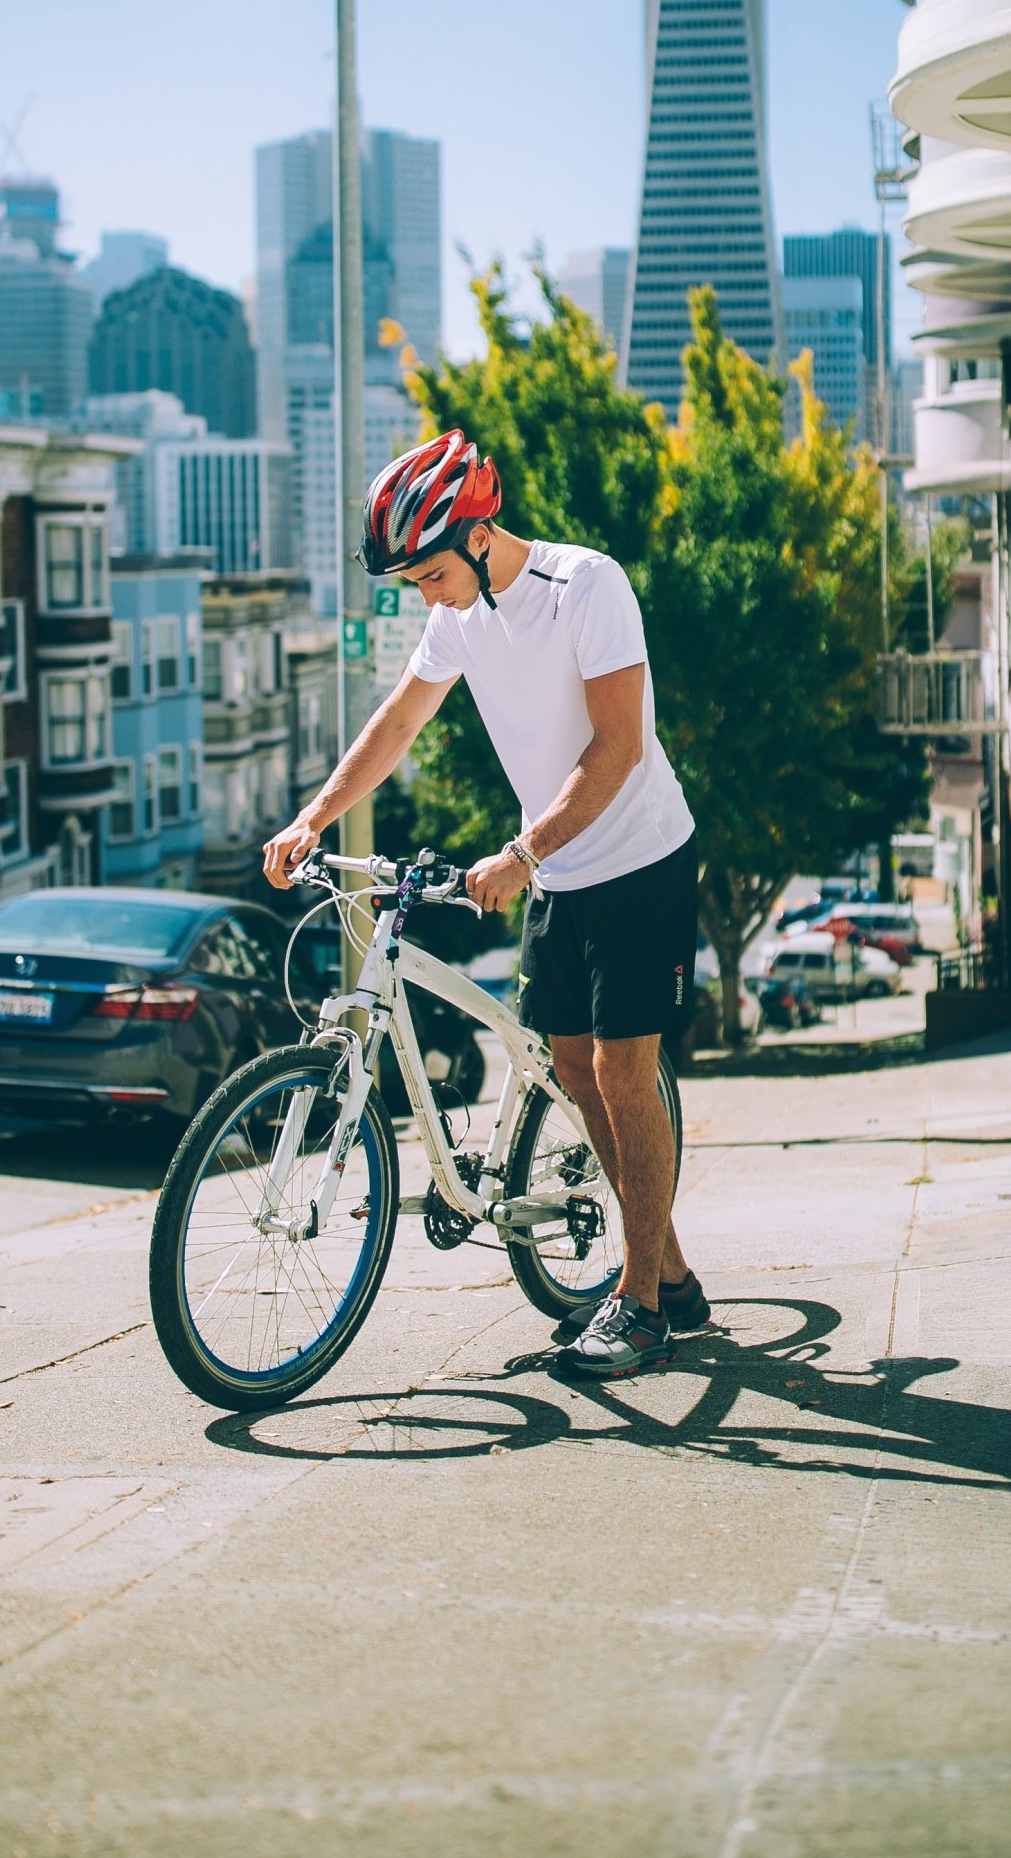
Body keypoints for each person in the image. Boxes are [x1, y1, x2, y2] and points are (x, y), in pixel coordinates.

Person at [263, 426, 708, 1380]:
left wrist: (519, 851)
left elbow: (620, 747)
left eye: (427, 573)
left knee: (626, 1070)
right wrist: (314, 816)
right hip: (559, 874)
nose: (423, 593)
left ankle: (636, 1310)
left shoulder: (586, 585)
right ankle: (668, 1272)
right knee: (574, 1071)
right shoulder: (457, 615)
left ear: (475, 535)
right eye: (413, 582)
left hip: (638, 860)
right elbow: (398, 721)